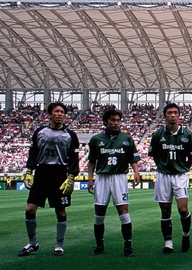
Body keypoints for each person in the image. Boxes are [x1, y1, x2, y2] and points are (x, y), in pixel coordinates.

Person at [18, 102, 80, 256]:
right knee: (29, 209)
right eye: (56, 111)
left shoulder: (70, 135)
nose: (60, 114)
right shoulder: (40, 132)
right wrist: (29, 171)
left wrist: (71, 176)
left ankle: (59, 244)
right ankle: (33, 243)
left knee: (60, 212)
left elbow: (74, 158)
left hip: (60, 173)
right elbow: (33, 153)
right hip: (42, 172)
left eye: (62, 112)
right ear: (49, 114)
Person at [87, 109, 142, 257]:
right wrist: (90, 178)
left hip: (119, 177)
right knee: (99, 212)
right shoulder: (96, 139)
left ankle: (128, 247)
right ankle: (99, 246)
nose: (116, 123)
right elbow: (91, 161)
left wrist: (136, 172)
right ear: (106, 122)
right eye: (112, 120)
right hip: (102, 177)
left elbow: (133, 158)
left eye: (118, 120)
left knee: (123, 211)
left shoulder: (126, 138)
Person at [149, 103, 192, 254]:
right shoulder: (158, 134)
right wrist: (161, 166)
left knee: (182, 209)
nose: (173, 115)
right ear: (165, 115)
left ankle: (186, 235)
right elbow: (154, 155)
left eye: (175, 112)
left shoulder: (187, 134)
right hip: (163, 175)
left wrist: (186, 167)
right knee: (165, 211)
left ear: (179, 115)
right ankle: (168, 244)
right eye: (170, 112)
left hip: (180, 175)